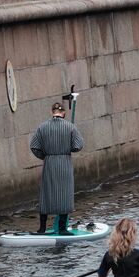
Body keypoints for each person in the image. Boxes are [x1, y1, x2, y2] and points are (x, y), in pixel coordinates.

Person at [30, 100, 83, 234]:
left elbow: (34, 146)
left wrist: (45, 156)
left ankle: (42, 228)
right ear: (63, 113)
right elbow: (78, 145)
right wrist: (66, 148)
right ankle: (62, 228)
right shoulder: (70, 127)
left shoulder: (42, 127)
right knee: (64, 194)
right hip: (64, 163)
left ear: (52, 112)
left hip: (49, 163)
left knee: (46, 194)